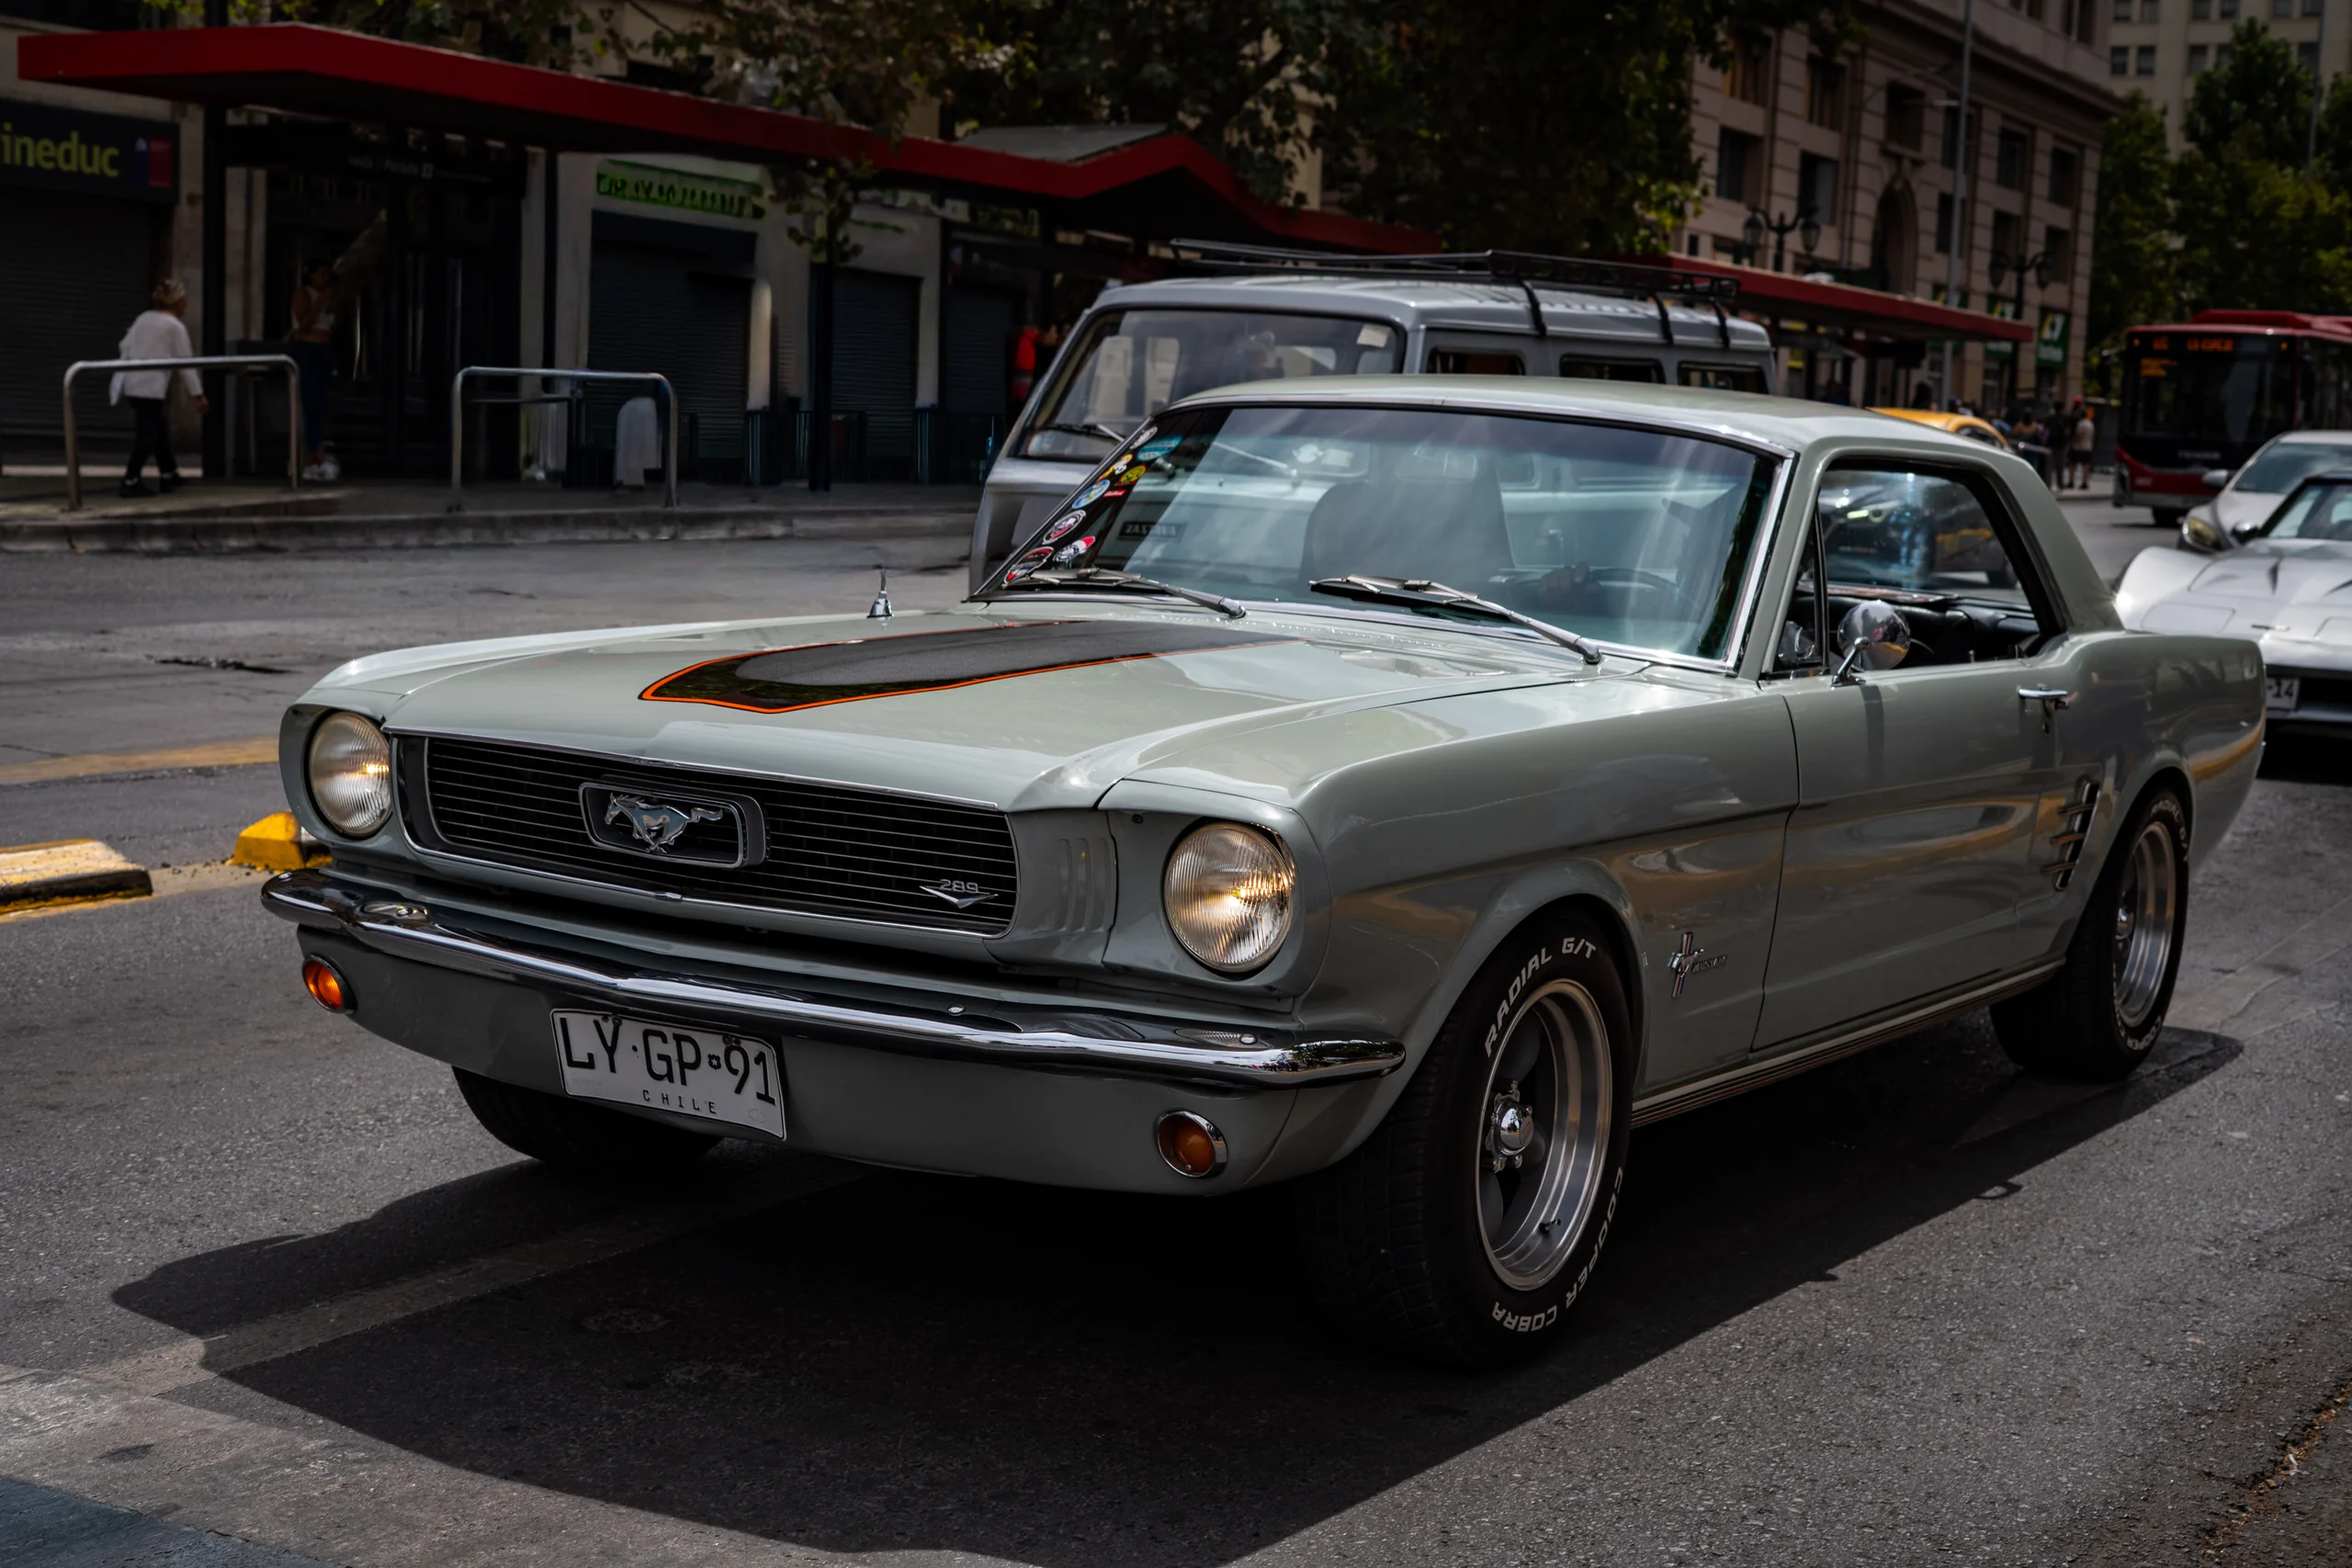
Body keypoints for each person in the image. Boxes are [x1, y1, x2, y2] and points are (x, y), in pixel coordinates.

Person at [115, 278, 206, 498]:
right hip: (151, 387)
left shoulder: (143, 318)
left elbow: (124, 345)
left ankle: (168, 473)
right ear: (178, 302)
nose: (186, 304)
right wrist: (198, 395)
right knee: (147, 435)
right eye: (184, 300)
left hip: (132, 383)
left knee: (158, 428)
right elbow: (185, 363)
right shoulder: (174, 326)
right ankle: (131, 479)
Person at [287, 259, 339, 481]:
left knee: (322, 400)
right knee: (311, 400)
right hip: (307, 348)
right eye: (320, 275)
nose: (324, 280)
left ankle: (318, 450)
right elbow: (304, 324)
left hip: (324, 349)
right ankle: (312, 452)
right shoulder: (304, 295)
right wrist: (321, 300)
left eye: (327, 275)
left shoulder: (332, 298)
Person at [2068, 400, 2096, 491]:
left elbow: (2079, 435)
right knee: (2086, 465)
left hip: (2078, 447)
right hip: (2088, 447)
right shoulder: (2090, 424)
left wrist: (2072, 442)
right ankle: (2085, 482)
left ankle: (2071, 481)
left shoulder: (2081, 424)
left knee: (2072, 464)